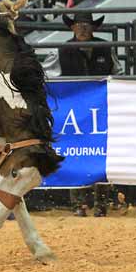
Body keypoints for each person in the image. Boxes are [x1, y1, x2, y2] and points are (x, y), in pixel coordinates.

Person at [42, 13, 121, 217]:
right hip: (74, 109)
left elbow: (117, 74)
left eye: (86, 25)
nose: (83, 29)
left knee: (99, 150)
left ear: (93, 28)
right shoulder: (62, 50)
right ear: (72, 28)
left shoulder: (105, 48)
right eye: (79, 25)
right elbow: (48, 77)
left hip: (100, 107)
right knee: (75, 150)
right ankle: (79, 203)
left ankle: (101, 202)